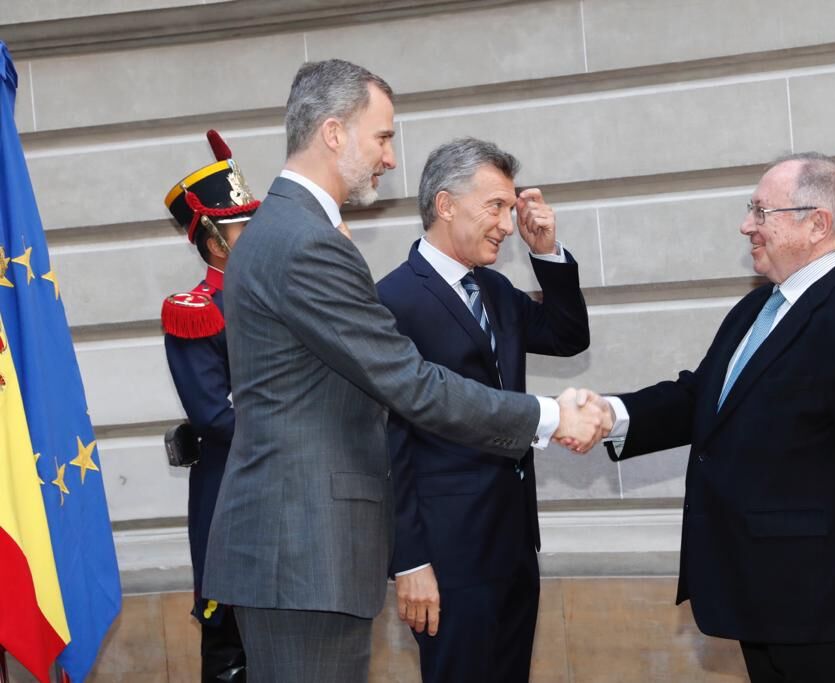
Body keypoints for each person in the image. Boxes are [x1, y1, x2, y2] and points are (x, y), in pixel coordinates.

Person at [201, 59, 607, 683]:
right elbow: (409, 385)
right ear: (334, 133)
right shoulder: (304, 241)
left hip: (306, 551)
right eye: (383, 136)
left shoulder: (291, 230)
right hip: (303, 549)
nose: (391, 160)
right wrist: (551, 416)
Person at [584, 153, 835, 683]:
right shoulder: (761, 307)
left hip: (827, 606)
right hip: (766, 594)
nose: (746, 225)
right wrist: (607, 414)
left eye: (761, 211)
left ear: (816, 222)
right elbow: (701, 397)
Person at [376, 138, 590, 683]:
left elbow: (568, 335)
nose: (506, 222)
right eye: (496, 206)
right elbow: (387, 441)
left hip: (514, 541)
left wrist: (546, 252)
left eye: (510, 208)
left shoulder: (495, 289)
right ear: (446, 205)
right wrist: (409, 560)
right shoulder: (392, 301)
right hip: (447, 556)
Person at [162, 129, 257, 683]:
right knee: (234, 653)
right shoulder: (194, 310)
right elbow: (215, 415)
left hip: (287, 494)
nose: (257, 231)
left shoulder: (277, 294)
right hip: (232, 499)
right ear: (215, 239)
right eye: (245, 223)